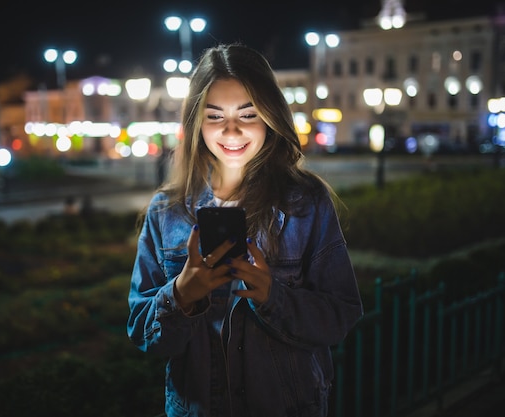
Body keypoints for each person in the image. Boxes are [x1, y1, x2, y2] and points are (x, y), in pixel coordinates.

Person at [127, 43, 363, 417]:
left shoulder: (305, 203)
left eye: (248, 114)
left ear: (270, 115)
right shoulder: (166, 211)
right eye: (215, 116)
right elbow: (142, 334)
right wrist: (181, 295)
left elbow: (341, 316)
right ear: (196, 123)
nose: (231, 130)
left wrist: (273, 296)